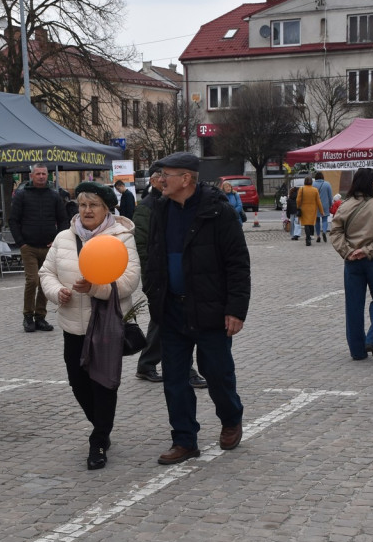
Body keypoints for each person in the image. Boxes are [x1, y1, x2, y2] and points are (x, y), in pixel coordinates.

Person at [143, 152, 251, 465]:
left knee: (217, 374)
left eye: (167, 174)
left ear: (186, 179)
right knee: (174, 379)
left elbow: (237, 263)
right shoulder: (160, 209)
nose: (161, 180)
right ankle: (184, 440)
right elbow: (152, 256)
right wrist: (154, 295)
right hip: (172, 310)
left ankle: (231, 418)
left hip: (210, 309)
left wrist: (236, 309)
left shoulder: (218, 211)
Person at [39, 182, 141, 470]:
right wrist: (56, 291)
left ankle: (98, 441)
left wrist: (94, 287)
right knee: (78, 384)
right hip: (73, 325)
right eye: (82, 205)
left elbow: (129, 280)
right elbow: (46, 272)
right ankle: (101, 425)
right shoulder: (63, 238)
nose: (86, 210)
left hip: (106, 326)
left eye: (93, 205)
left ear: (106, 208)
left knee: (103, 384)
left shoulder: (122, 238)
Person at [132, 166, 206, 388]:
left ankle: (147, 363)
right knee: (167, 319)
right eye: (161, 178)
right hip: (157, 276)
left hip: (173, 276)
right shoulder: (147, 207)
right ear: (154, 181)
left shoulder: (171, 204)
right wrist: (152, 277)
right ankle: (183, 368)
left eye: (166, 177)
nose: (164, 181)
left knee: (163, 320)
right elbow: (143, 246)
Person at [328, 168, 373, 360]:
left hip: (352, 262)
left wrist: (348, 251)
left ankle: (357, 350)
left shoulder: (344, 206)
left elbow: (335, 232)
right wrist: (368, 250)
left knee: (354, 304)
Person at [9, 163, 69, 333]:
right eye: (38, 174)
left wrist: (57, 239)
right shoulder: (22, 195)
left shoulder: (54, 195)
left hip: (49, 246)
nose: (42, 176)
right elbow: (13, 220)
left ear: (47, 176)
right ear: (31, 176)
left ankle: (40, 317)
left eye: (44, 174)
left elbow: (63, 219)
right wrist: (21, 242)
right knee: (32, 281)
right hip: (29, 246)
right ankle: (28, 316)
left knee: (45, 282)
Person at [293, 176, 325, 246]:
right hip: (312, 209)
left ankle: (308, 239)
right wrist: (321, 211)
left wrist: (298, 207)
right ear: (312, 182)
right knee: (311, 223)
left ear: (304, 182)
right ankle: (311, 235)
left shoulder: (302, 189)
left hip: (304, 208)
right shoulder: (315, 190)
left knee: (306, 224)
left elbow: (298, 200)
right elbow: (318, 201)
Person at [313, 172, 333, 243]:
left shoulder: (313, 184)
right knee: (325, 219)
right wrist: (331, 204)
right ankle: (324, 231)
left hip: (315, 205)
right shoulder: (327, 184)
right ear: (322, 177)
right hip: (325, 205)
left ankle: (318, 235)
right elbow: (330, 196)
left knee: (317, 221)